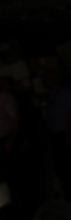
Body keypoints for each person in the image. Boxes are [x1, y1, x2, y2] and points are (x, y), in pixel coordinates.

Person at [43, 72, 71, 200]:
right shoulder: (50, 95)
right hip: (55, 135)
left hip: (65, 134)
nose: (48, 81)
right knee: (61, 167)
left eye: (51, 77)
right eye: (46, 78)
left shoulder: (65, 93)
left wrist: (68, 134)